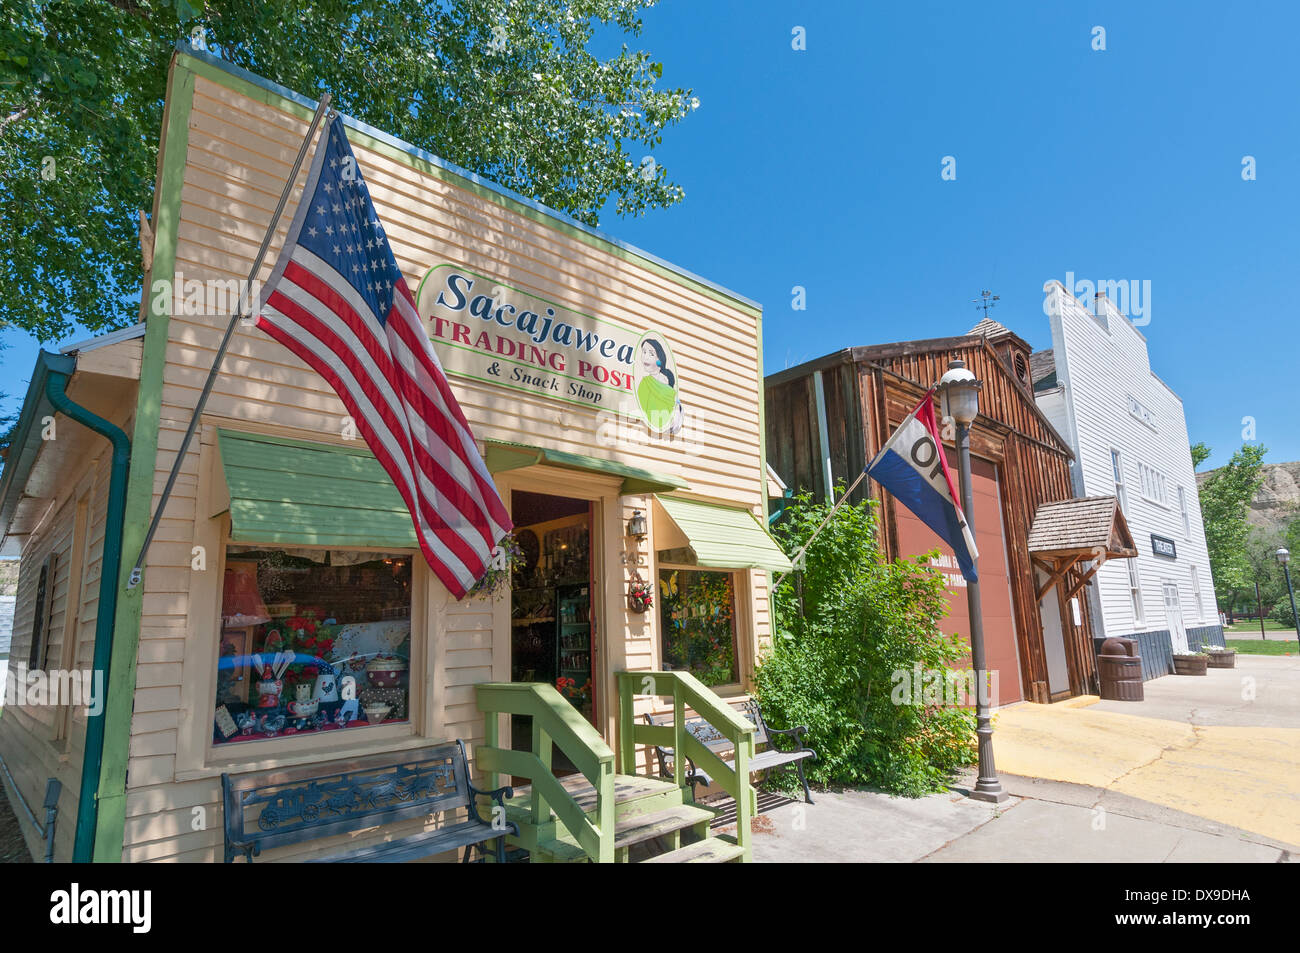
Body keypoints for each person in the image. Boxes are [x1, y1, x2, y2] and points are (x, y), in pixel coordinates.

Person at [636, 338, 682, 432]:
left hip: (664, 424)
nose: (645, 357)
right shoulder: (645, 383)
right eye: (644, 352)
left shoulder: (666, 377)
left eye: (651, 354)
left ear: (659, 359)